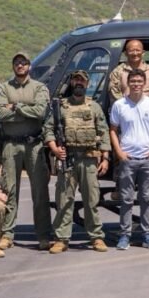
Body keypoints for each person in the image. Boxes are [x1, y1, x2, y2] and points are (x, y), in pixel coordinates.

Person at [44, 70, 111, 254]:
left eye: (82, 80)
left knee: (91, 200)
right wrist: (54, 149)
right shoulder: (61, 107)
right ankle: (61, 238)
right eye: (76, 80)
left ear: (87, 84)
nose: (79, 83)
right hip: (68, 158)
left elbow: (103, 132)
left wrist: (105, 158)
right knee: (64, 200)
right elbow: (48, 129)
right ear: (72, 83)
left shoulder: (94, 107)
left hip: (89, 159)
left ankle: (96, 237)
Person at [0, 52, 52, 250]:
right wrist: (27, 112)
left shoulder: (39, 87)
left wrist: (16, 107)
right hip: (11, 145)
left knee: (40, 191)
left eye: (24, 63)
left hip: (34, 144)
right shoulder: (4, 88)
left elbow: (40, 112)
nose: (20, 65)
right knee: (9, 190)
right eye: (17, 63)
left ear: (29, 66)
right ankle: (7, 234)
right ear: (13, 66)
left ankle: (43, 235)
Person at [109, 68, 149, 250]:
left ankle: (148, 235)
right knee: (126, 199)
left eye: (139, 81)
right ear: (128, 83)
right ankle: (125, 236)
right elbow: (113, 130)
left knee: (146, 199)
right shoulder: (119, 105)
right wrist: (119, 152)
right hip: (128, 158)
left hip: (147, 158)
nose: (136, 84)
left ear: (144, 83)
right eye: (133, 81)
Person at [108, 39, 149, 104]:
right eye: (131, 51)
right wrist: (128, 105)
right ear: (125, 53)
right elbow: (114, 94)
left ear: (143, 53)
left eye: (138, 50)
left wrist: (143, 106)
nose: (135, 53)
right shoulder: (118, 71)